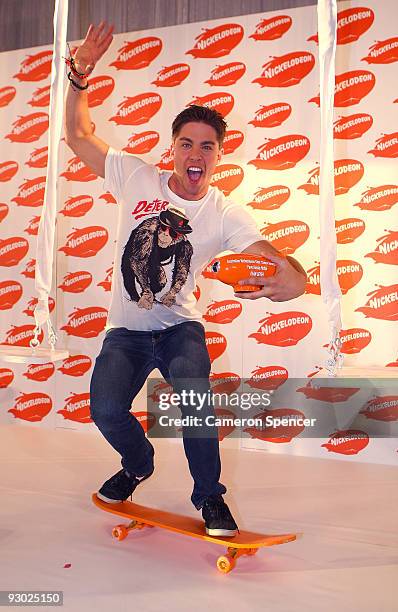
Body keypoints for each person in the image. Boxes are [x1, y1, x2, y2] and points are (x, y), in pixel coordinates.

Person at [64, 22, 307, 537]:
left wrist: (294, 277)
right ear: (173, 148)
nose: (196, 154)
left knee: (195, 402)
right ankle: (137, 465)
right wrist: (79, 74)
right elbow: (79, 135)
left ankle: (209, 498)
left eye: (207, 147)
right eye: (186, 143)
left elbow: (266, 252)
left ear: (218, 156)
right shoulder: (135, 177)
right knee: (105, 411)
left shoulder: (224, 211)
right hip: (125, 331)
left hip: (179, 328)